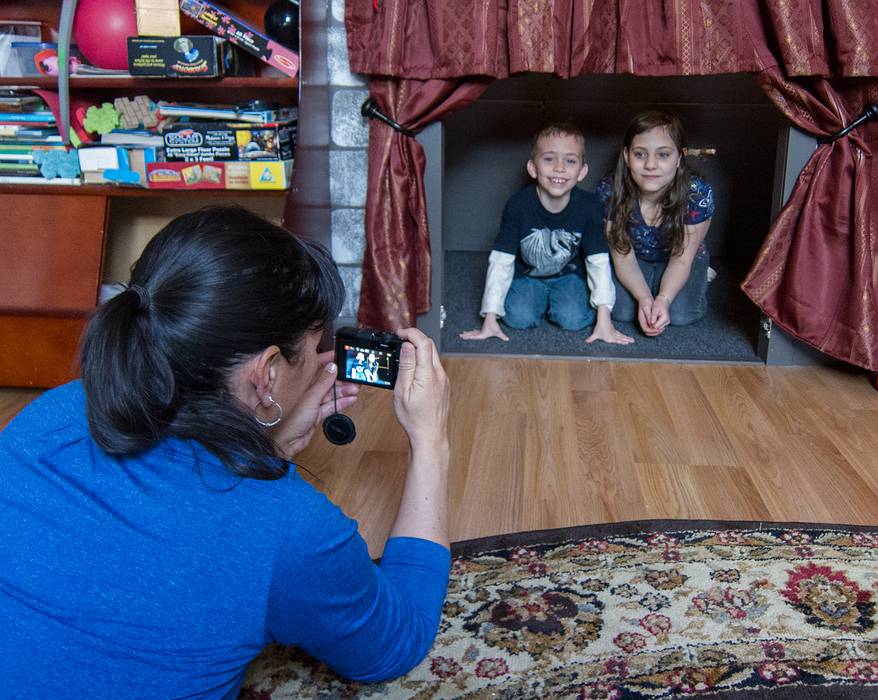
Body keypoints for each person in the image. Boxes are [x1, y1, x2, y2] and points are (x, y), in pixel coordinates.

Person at [0, 206, 452, 698]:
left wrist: (265, 447)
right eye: (313, 343)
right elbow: (394, 643)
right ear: (268, 372)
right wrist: (430, 441)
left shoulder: (49, 415)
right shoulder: (285, 526)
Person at [460, 122, 633, 345]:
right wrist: (490, 317)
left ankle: (558, 302)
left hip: (570, 276)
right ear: (533, 168)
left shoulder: (589, 207)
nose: (559, 168)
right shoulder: (518, 205)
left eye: (570, 161)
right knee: (518, 318)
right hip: (529, 276)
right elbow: (501, 260)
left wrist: (604, 318)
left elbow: (598, 261)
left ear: (582, 171)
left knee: (573, 319)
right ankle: (542, 300)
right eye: (549, 159)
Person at [597, 110, 715, 336]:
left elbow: (681, 259)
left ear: (679, 158)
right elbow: (622, 256)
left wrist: (663, 299)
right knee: (621, 311)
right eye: (640, 154)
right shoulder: (610, 190)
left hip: (681, 259)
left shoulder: (696, 193)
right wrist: (643, 297)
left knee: (681, 315)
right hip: (635, 257)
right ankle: (648, 285)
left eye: (663, 155)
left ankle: (702, 276)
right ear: (626, 156)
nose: (651, 165)